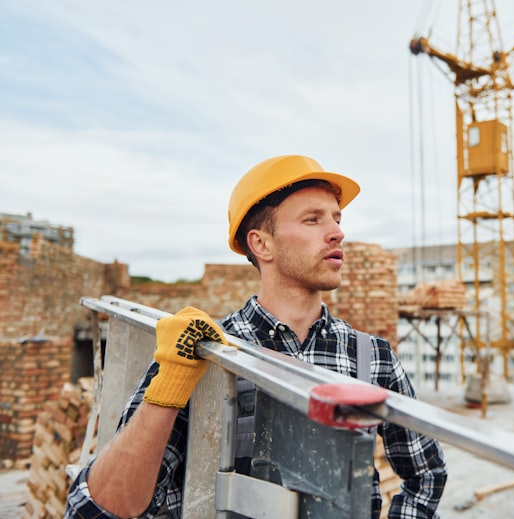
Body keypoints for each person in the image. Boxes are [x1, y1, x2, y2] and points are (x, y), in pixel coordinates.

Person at [64, 154, 448, 518]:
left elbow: (426, 473)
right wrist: (171, 382)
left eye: (336, 218)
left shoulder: (372, 356)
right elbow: (96, 509)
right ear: (261, 244)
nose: (337, 233)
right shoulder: (206, 353)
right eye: (313, 220)